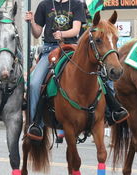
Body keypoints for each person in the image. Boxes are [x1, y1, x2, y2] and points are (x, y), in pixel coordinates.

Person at [25, 0, 128, 141]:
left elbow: (76, 30)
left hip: (73, 48)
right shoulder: (44, 4)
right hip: (49, 49)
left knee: (102, 77)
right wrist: (32, 22)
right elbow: (37, 33)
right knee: (34, 83)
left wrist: (62, 34)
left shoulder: (76, 4)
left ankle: (113, 110)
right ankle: (35, 123)